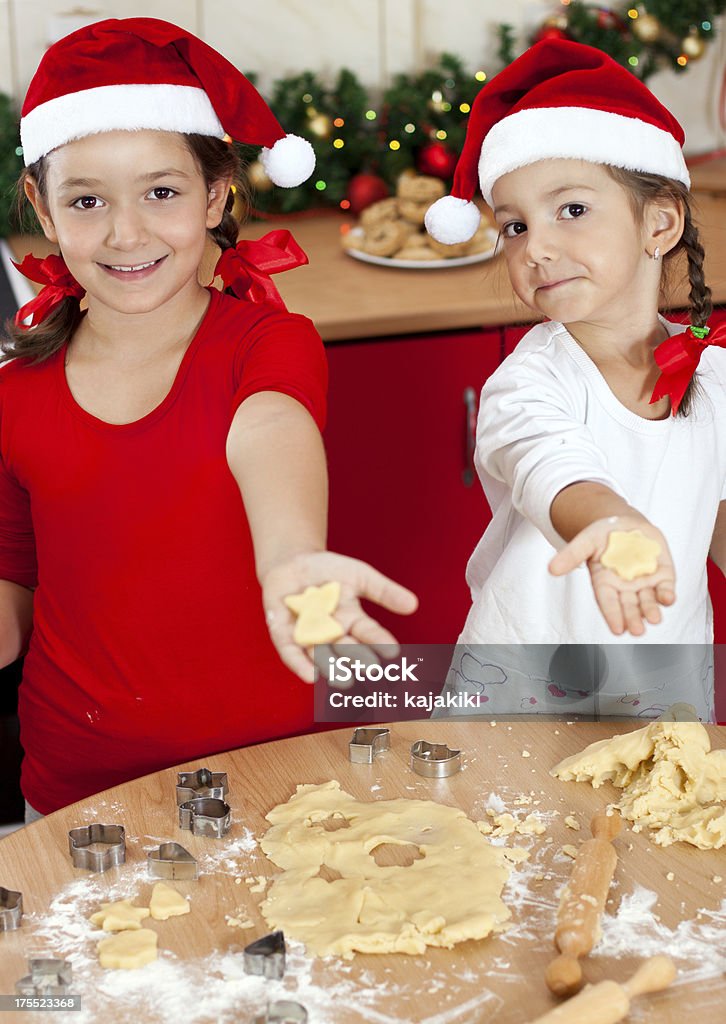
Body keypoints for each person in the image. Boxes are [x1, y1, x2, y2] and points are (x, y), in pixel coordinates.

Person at [0, 17, 417, 820]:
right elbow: (15, 585)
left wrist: (292, 559)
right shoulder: (17, 389)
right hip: (76, 791)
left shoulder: (266, 344)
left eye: (162, 192)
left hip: (272, 775)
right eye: (86, 200)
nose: (126, 232)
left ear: (217, 194)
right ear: (42, 210)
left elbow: (271, 429)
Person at [424, 39, 726, 721]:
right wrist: (610, 522)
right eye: (514, 226)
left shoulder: (714, 374)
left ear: (661, 221)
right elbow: (553, 467)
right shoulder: (527, 383)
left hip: (660, 695)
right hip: (515, 704)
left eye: (572, 210)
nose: (536, 248)